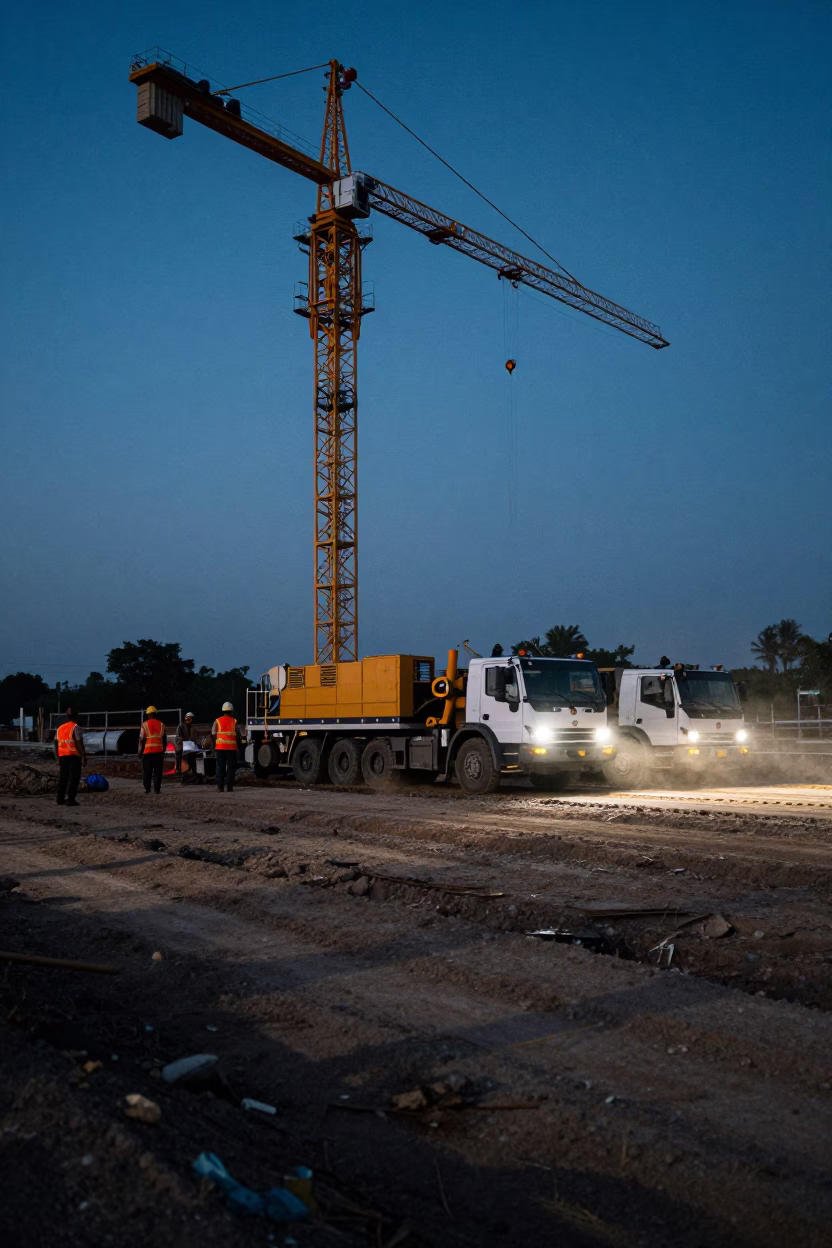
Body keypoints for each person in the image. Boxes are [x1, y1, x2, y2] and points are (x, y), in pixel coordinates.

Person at [54, 706, 87, 806]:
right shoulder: (75, 727)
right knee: (74, 778)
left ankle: (60, 799)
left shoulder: (60, 728)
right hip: (74, 756)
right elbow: (79, 742)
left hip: (63, 756)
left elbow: (55, 743)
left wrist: (57, 758)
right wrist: (84, 756)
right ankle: (71, 799)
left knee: (63, 778)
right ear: (76, 716)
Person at [211, 701, 244, 793]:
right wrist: (239, 745)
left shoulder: (217, 721)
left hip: (220, 748)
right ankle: (229, 787)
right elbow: (239, 735)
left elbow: (213, 733)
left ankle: (220, 787)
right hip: (231, 749)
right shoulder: (234, 721)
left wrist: (215, 745)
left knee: (220, 767)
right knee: (231, 768)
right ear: (231, 711)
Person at [138, 705, 167, 794]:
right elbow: (164, 739)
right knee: (158, 772)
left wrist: (139, 752)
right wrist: (163, 750)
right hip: (158, 752)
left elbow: (141, 739)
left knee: (147, 771)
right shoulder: (162, 725)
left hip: (147, 752)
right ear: (155, 714)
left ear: (148, 715)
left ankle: (147, 789)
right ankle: (157, 790)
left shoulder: (144, 725)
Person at [175, 711, 197, 782]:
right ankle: (184, 778)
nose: (190, 720)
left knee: (192, 763)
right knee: (185, 764)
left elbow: (194, 738)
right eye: (189, 718)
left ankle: (192, 777)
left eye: (191, 719)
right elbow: (178, 738)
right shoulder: (181, 726)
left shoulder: (192, 728)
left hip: (191, 749)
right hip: (184, 749)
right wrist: (183, 742)